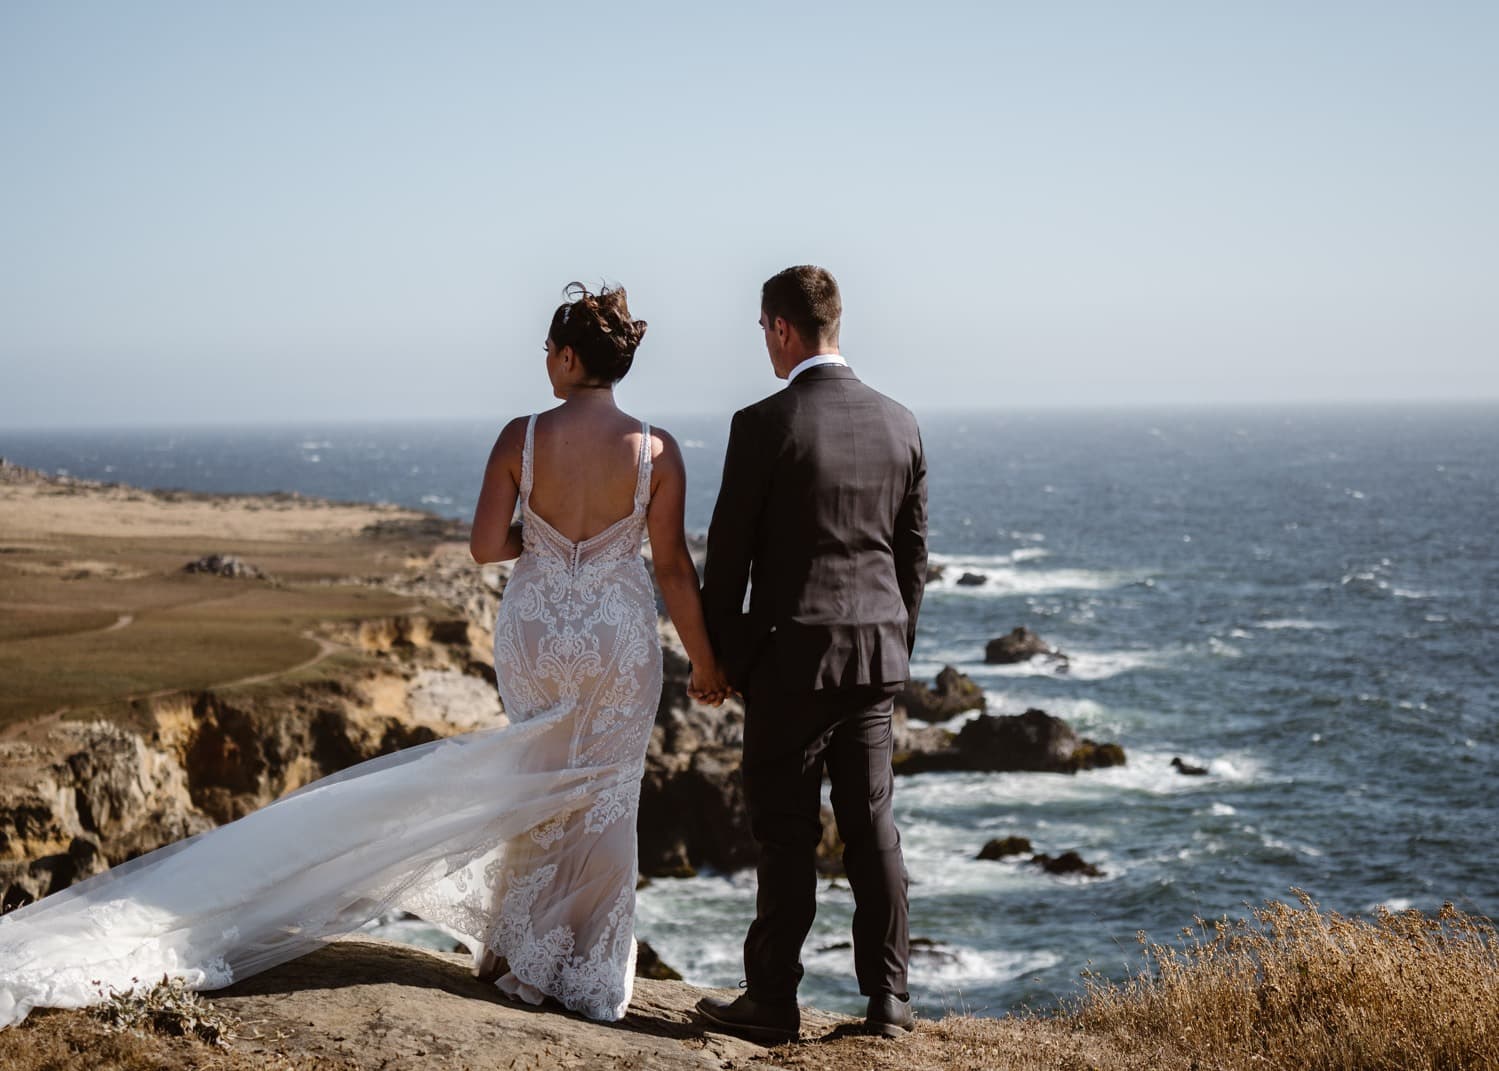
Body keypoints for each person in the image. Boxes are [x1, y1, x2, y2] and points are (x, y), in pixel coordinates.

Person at [0, 282, 730, 1030]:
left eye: (548, 350)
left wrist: (543, 548)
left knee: (537, 778)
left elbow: (484, 546)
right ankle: (585, 971)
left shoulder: (524, 436)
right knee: (607, 791)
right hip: (614, 636)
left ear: (570, 356)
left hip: (537, 629)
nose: (545, 362)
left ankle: (521, 956)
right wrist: (704, 664)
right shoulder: (656, 448)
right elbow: (672, 567)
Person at [693, 266, 928, 1043]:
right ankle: (887, 1001)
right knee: (872, 828)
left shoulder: (762, 423)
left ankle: (772, 1001)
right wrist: (894, 649)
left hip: (790, 658)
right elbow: (910, 560)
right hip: (873, 659)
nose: (764, 342)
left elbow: (728, 559)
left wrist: (721, 660)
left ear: (782, 328)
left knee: (785, 831)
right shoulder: (901, 422)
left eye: (763, 329)